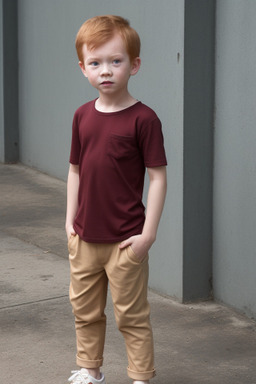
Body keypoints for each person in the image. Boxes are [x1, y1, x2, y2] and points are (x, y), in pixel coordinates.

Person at [66, 15, 167, 384]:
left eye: (115, 61)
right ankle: (90, 370)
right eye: (95, 63)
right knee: (86, 311)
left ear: (134, 65)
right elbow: (75, 170)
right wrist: (69, 222)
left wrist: (148, 234)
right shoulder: (81, 117)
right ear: (83, 69)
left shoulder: (144, 120)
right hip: (84, 237)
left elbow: (157, 178)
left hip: (126, 240)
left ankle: (141, 376)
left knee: (131, 316)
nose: (105, 71)